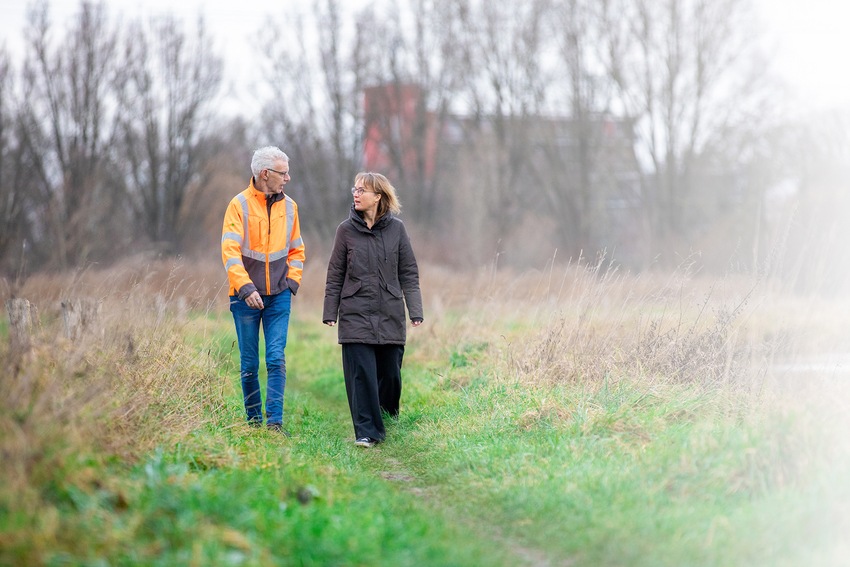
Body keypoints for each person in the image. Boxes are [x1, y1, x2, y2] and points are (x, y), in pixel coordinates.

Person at [322, 172, 423, 448]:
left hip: (390, 312)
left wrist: (415, 310)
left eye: (362, 190)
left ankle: (387, 421)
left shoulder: (397, 229)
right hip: (354, 312)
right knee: (361, 375)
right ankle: (367, 432)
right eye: (354, 189)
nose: (355, 194)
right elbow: (335, 273)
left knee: (390, 375)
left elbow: (408, 271)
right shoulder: (345, 230)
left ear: (378, 196)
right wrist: (331, 311)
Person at [221, 146, 304, 433]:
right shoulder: (238, 205)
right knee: (248, 363)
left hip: (279, 296)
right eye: (283, 173)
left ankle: (274, 423)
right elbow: (230, 252)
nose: (288, 178)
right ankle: (254, 423)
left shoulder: (290, 207)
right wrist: (245, 288)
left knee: (276, 357)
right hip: (245, 298)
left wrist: (291, 283)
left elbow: (297, 250)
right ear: (265, 174)